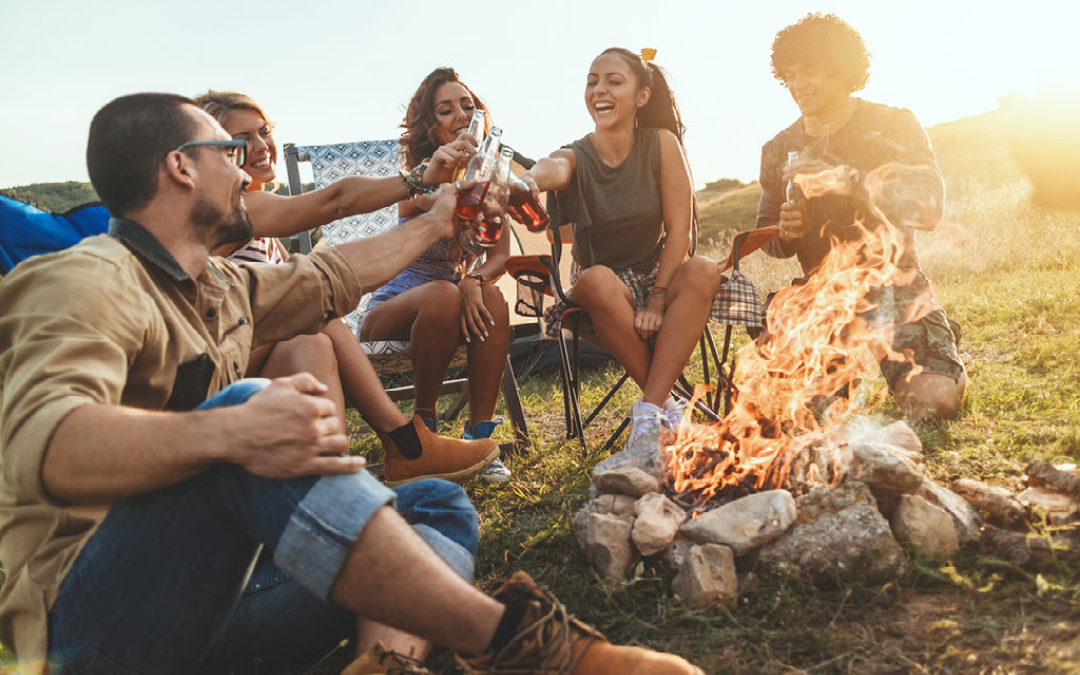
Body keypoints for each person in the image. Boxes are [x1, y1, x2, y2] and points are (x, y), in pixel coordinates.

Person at [0, 92, 703, 675]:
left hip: (213, 607)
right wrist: (225, 430)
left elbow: (331, 278)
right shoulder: (85, 279)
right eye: (232, 154)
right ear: (181, 168)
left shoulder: (214, 286)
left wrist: (434, 218)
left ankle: (383, 664)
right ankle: (529, 646)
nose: (247, 173)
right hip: (92, 629)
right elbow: (47, 442)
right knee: (247, 411)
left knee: (434, 505)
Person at [192, 89, 496, 488]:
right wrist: (420, 179)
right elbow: (336, 201)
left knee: (311, 340)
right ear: (212, 152)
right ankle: (405, 442)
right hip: (209, 371)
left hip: (249, 359)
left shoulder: (262, 230)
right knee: (312, 305)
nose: (261, 145)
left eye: (263, 131)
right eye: (241, 139)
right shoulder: (230, 210)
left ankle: (336, 480)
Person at [515, 48, 756, 444]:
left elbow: (680, 230)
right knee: (594, 279)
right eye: (592, 81)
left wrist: (659, 298)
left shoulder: (661, 144)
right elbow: (553, 166)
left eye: (613, 81)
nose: (599, 90)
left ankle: (650, 411)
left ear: (641, 96)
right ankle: (667, 405)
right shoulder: (575, 153)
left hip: (656, 274)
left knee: (705, 269)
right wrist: (530, 181)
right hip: (602, 292)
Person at [755, 13, 967, 420]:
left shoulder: (892, 124)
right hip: (821, 298)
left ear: (840, 70)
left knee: (932, 403)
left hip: (895, 290)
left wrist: (851, 181)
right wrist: (785, 232)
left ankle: (939, 345)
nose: (798, 85)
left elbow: (929, 208)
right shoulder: (778, 147)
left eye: (810, 72)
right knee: (805, 414)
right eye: (790, 75)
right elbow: (771, 237)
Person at [359, 68, 513, 483]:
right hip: (391, 310)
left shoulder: (491, 180)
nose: (461, 115)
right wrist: (460, 179)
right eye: (447, 110)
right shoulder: (422, 176)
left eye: (468, 105)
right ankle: (421, 438)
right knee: (444, 293)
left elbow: (499, 256)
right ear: (432, 126)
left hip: (445, 310)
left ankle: (479, 435)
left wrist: (475, 280)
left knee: (492, 298)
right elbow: (427, 205)